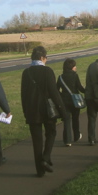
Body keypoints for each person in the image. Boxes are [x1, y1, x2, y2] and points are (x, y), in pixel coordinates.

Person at [21, 46, 65, 177]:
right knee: (51, 132)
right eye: (46, 58)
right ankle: (45, 158)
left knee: (37, 140)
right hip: (47, 110)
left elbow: (23, 95)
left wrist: (25, 111)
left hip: (32, 110)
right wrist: (62, 110)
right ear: (42, 58)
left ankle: (39, 171)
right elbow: (54, 93)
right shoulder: (47, 71)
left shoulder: (26, 72)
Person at [57, 58, 85, 146]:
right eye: (74, 65)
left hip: (65, 101)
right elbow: (79, 87)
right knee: (75, 119)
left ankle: (67, 140)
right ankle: (76, 135)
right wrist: (86, 90)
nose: (75, 67)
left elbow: (56, 89)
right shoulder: (74, 75)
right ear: (71, 67)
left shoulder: (60, 77)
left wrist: (62, 95)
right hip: (75, 101)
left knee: (66, 120)